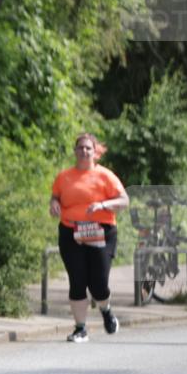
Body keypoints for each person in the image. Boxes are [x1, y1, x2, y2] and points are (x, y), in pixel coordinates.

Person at [49, 132, 129, 342]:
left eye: (88, 148)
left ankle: (106, 310)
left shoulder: (105, 176)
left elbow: (124, 200)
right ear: (75, 151)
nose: (84, 151)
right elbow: (56, 195)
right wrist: (54, 204)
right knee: (77, 280)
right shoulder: (64, 176)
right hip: (71, 232)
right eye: (80, 148)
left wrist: (103, 205)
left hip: (101, 232)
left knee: (99, 284)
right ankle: (80, 328)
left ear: (95, 152)